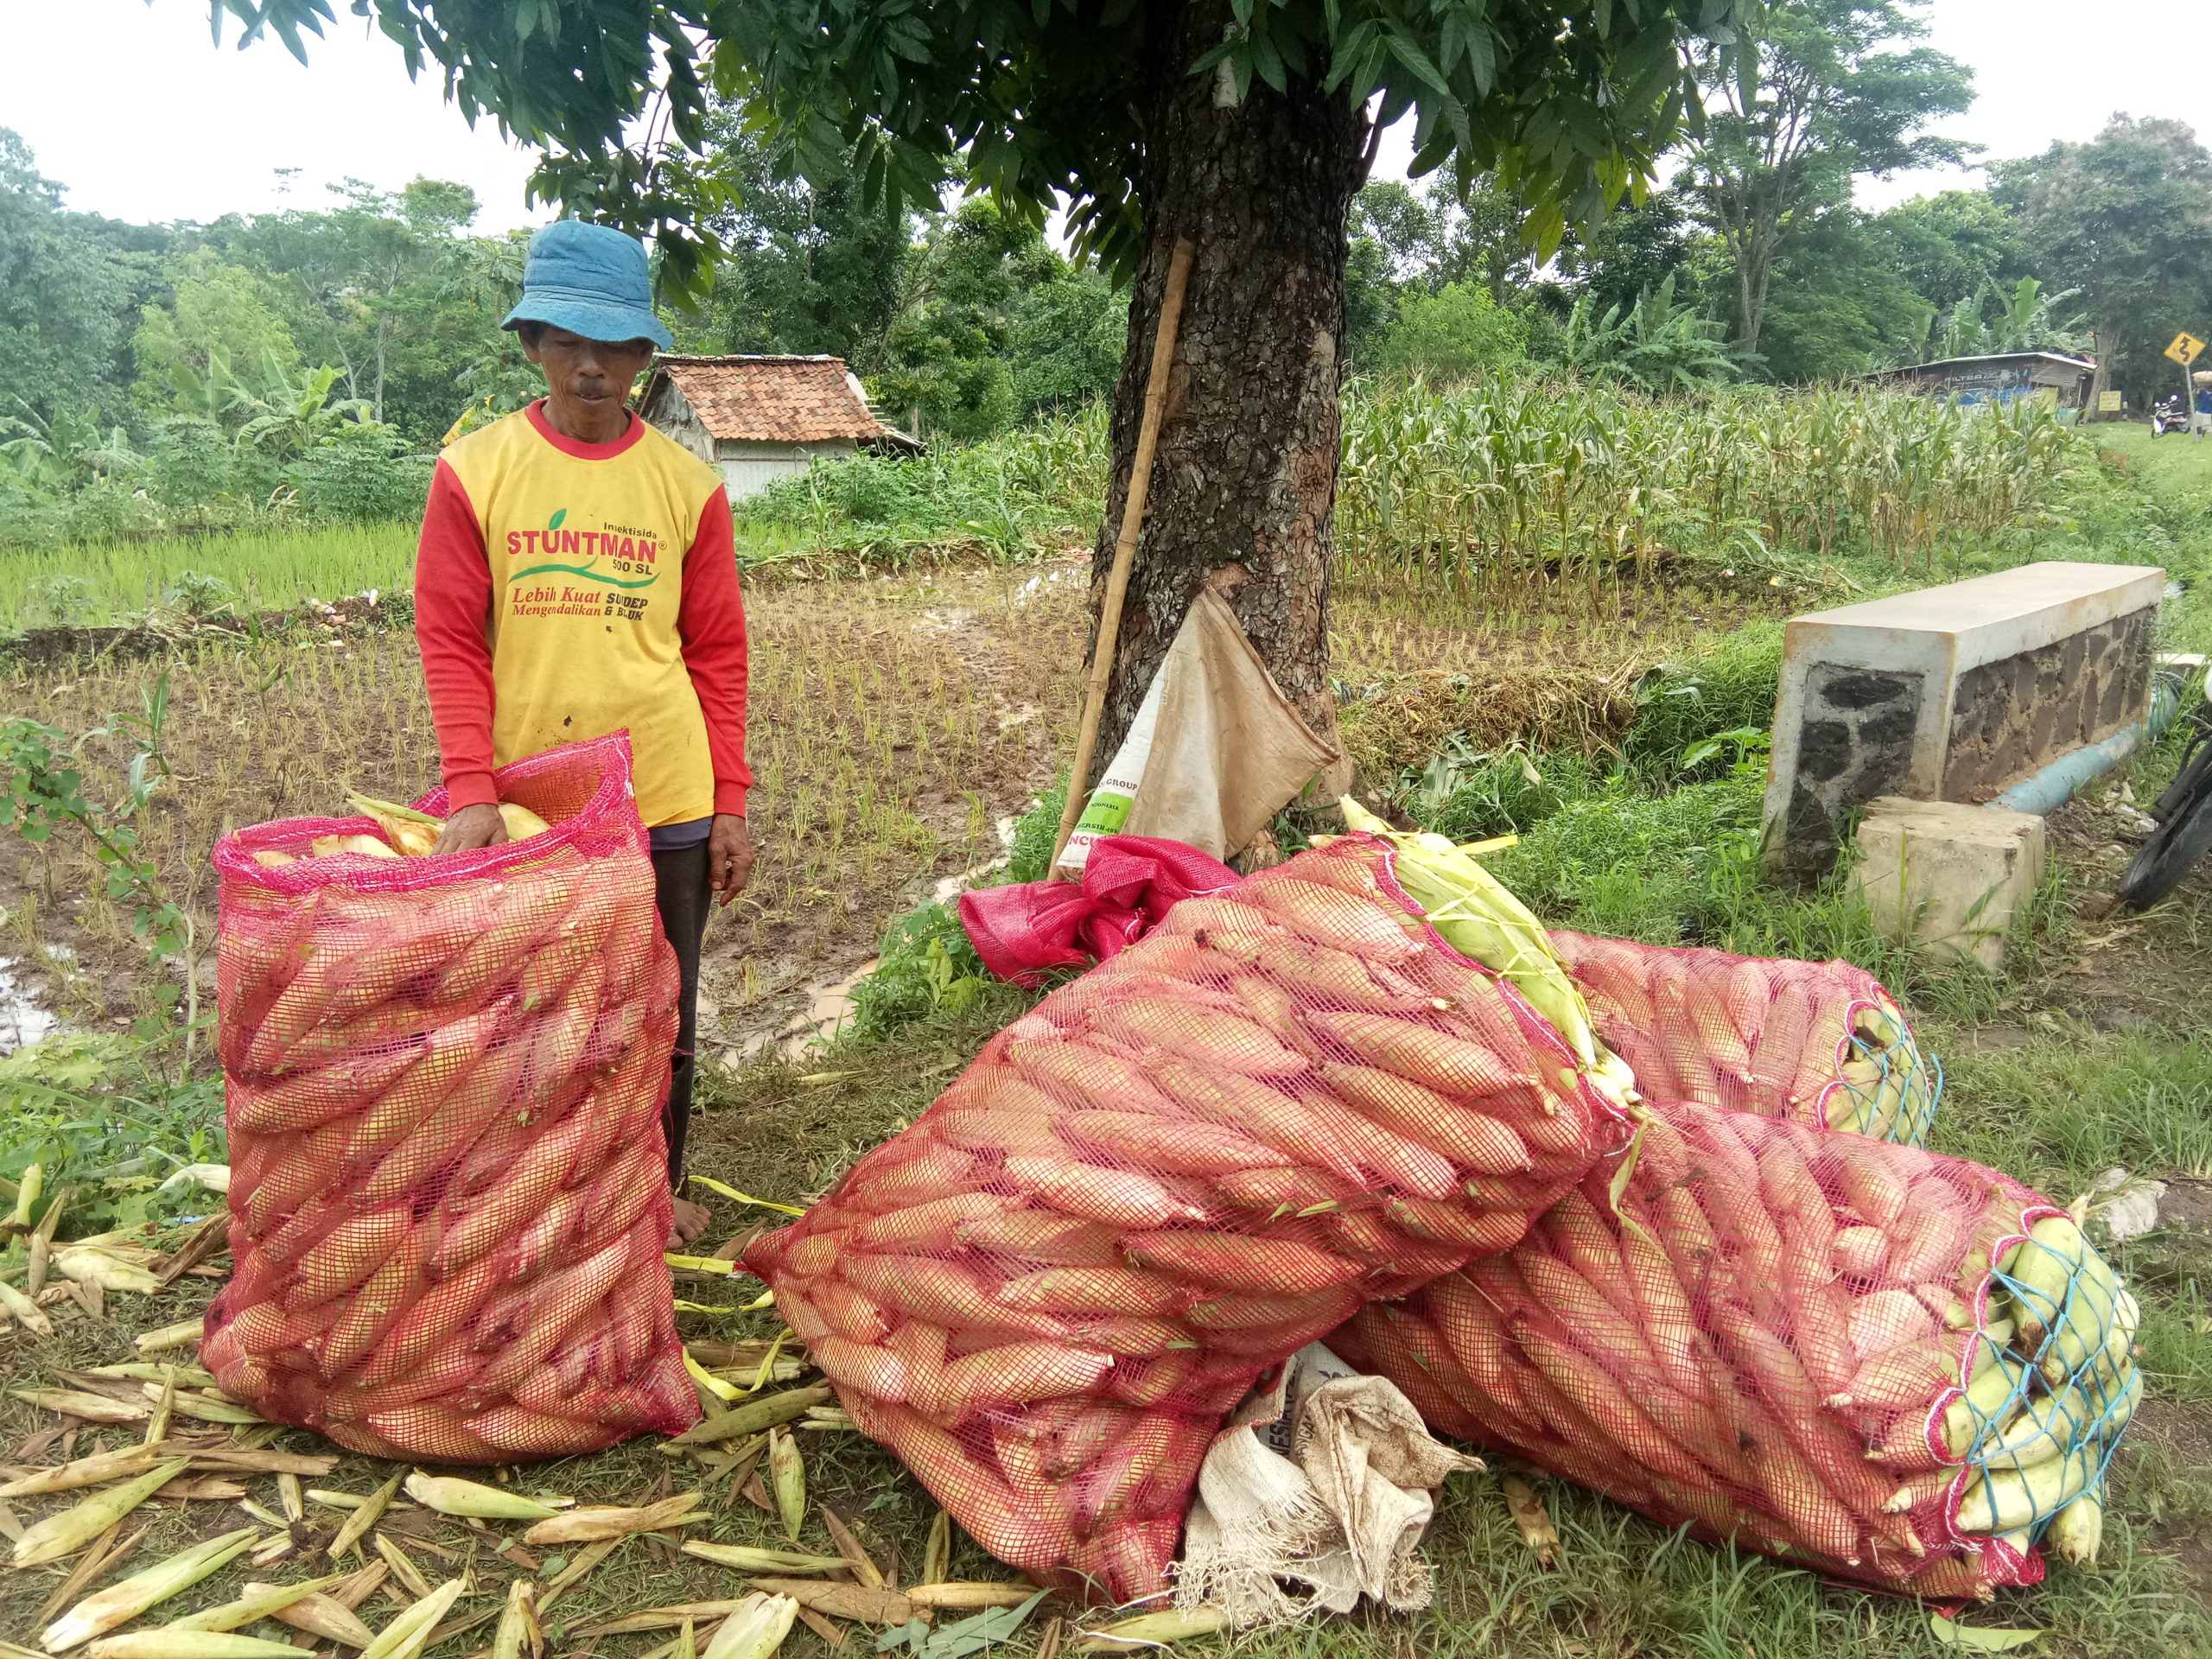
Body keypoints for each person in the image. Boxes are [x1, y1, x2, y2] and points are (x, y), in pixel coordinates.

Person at [414, 219, 753, 1249]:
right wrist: (471, 784)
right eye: (567, 339)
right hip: (530, 799)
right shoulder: (475, 470)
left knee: (662, 1013)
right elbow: (450, 640)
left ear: (647, 355)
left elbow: (718, 655)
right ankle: (539, 1196)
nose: (592, 364)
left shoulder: (687, 486)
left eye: (615, 345)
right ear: (530, 342)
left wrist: (730, 803)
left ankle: (650, 1191)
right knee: (532, 1014)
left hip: (668, 792)